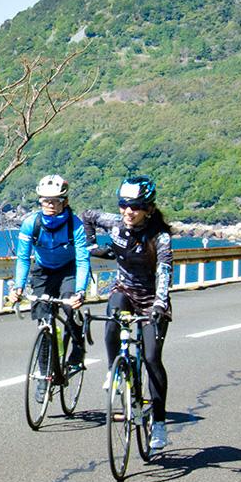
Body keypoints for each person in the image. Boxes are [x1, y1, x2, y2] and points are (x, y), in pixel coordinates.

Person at [82, 175, 173, 450]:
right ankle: (113, 369)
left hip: (151, 299)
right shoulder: (114, 224)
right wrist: (91, 247)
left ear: (149, 209)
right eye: (123, 205)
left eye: (135, 206)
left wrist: (159, 305)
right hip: (125, 290)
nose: (128, 212)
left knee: (151, 358)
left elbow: (164, 272)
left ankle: (158, 423)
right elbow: (87, 216)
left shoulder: (160, 237)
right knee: (112, 314)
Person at [8, 175, 91, 395]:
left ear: (64, 201)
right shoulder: (31, 223)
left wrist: (80, 292)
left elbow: (83, 260)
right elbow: (24, 258)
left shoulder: (75, 225)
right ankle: (44, 376)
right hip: (43, 271)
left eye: (54, 201)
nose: (50, 205)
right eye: (45, 200)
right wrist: (18, 287)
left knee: (68, 307)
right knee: (43, 321)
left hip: (68, 270)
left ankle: (78, 345)